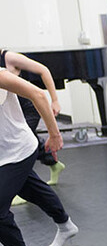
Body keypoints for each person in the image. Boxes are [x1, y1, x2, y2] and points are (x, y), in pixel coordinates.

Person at [0, 67, 78, 246]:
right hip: (3, 153)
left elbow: (38, 94)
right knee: (32, 189)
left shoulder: (1, 75)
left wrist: (54, 134)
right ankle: (66, 225)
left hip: (18, 150)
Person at [0, 49, 66, 191]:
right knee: (24, 141)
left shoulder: (8, 57)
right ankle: (53, 163)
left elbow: (43, 70)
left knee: (19, 148)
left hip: (29, 109)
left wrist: (54, 100)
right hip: (12, 112)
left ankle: (15, 189)